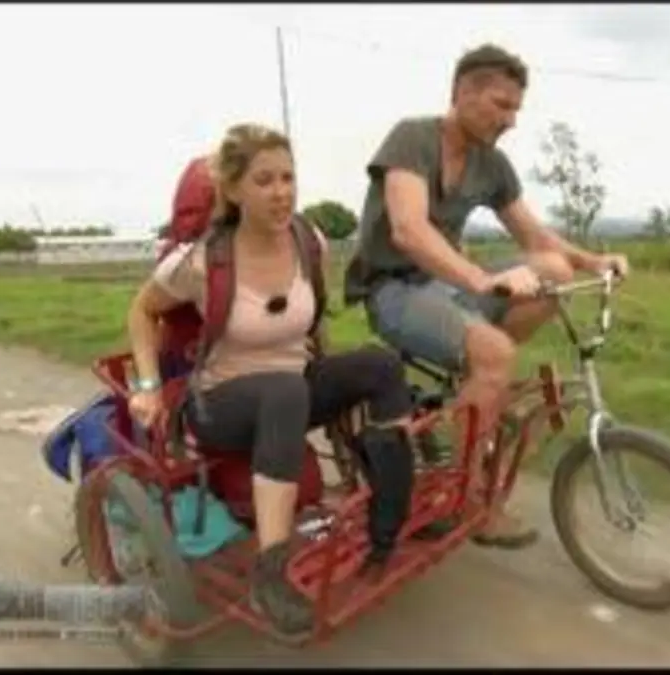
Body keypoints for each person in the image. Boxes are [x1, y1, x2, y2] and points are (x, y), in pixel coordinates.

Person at [124, 123, 430, 639]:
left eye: (288, 177)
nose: (281, 191)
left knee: (379, 365)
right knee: (284, 390)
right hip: (218, 406)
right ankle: (271, 576)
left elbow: (312, 322)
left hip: (292, 387)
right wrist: (149, 387)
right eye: (264, 180)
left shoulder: (309, 242)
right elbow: (140, 311)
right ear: (234, 189)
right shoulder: (201, 261)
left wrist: (334, 375)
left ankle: (388, 520)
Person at [343, 44, 630, 549]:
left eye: (516, 108)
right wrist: (478, 279)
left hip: (447, 285)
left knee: (553, 270)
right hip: (394, 289)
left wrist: (592, 261)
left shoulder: (492, 164)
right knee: (496, 353)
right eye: (501, 105)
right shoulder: (413, 138)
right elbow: (408, 230)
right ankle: (467, 499)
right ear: (462, 93)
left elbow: (534, 237)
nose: (511, 120)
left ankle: (484, 381)